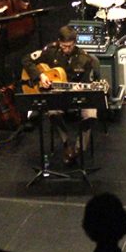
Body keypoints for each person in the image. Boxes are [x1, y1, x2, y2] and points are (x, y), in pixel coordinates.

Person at [22, 25, 101, 165]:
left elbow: (88, 83)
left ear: (75, 43)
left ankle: (77, 150)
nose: (67, 49)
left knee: (91, 114)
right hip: (55, 95)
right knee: (52, 112)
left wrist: (80, 89)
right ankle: (66, 144)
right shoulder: (50, 51)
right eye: (64, 46)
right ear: (59, 42)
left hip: (75, 95)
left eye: (70, 46)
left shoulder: (85, 58)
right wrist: (40, 76)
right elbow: (26, 60)